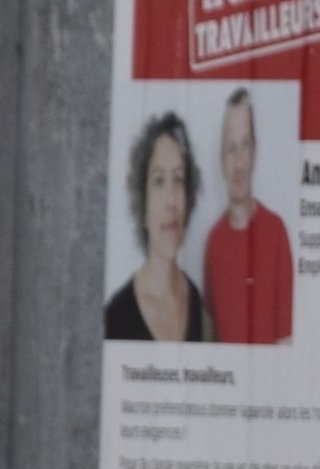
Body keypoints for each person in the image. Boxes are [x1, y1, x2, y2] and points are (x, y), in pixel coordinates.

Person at [104, 110, 220, 343]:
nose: (171, 200)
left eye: (178, 180)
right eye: (159, 181)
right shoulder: (115, 318)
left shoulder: (199, 306)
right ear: (142, 204)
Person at [201, 88, 294, 346]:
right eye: (231, 148)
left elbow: (286, 342)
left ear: (255, 152)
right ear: (221, 161)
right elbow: (209, 343)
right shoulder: (214, 242)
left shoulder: (276, 233)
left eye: (245, 145)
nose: (239, 162)